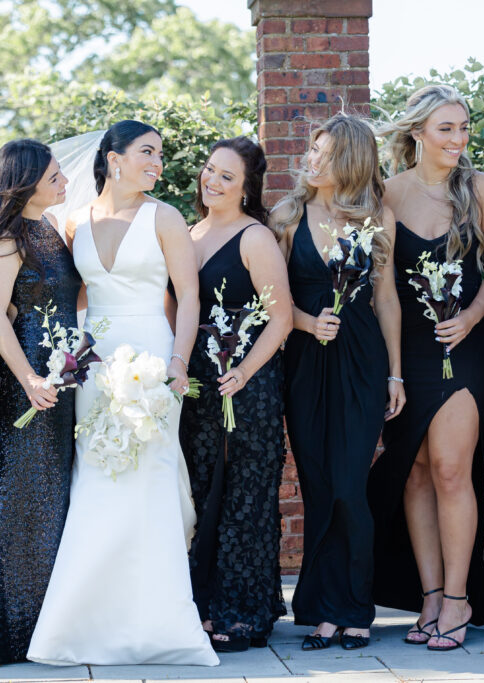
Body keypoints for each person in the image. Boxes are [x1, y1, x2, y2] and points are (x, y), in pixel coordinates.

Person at [26, 120, 218, 667]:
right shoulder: (73, 222)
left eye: (159, 154)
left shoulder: (166, 217)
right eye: (147, 152)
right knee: (97, 477)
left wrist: (179, 364)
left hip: (156, 358)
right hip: (93, 362)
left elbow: (189, 297)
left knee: (150, 478)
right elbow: (73, 296)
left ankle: (161, 625)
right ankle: (79, 624)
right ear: (114, 159)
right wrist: (70, 357)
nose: (157, 163)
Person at [366, 84, 484, 650]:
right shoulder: (389, 194)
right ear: (419, 132)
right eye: (446, 128)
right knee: (417, 471)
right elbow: (383, 288)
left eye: (463, 127)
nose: (458, 138)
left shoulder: (483, 190)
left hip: (465, 345)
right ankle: (429, 597)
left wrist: (473, 317)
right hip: (409, 353)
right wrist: (392, 368)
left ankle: (458, 598)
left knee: (452, 468)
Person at [272, 113, 404, 652]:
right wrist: (307, 322)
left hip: (361, 358)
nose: (311, 159)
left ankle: (355, 608)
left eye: (323, 154)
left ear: (348, 161)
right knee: (319, 485)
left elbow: (387, 296)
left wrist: (395, 371)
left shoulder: (377, 217)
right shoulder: (287, 216)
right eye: (311, 150)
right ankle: (323, 612)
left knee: (351, 486)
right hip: (305, 360)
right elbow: (272, 300)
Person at [0, 139, 81, 664]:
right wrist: (31, 378)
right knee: (23, 497)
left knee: (54, 493)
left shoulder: (52, 230)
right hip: (30, 377)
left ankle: (47, 623)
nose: (64, 181)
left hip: (61, 373)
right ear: (27, 180)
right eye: (55, 175)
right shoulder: (11, 239)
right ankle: (9, 627)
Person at [178, 136, 292, 652]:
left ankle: (245, 611)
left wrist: (244, 372)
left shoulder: (254, 238)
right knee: (204, 494)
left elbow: (282, 318)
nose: (213, 181)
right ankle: (204, 605)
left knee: (246, 497)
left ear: (246, 188)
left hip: (248, 383)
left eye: (227, 176)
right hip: (199, 386)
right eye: (209, 170)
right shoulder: (187, 232)